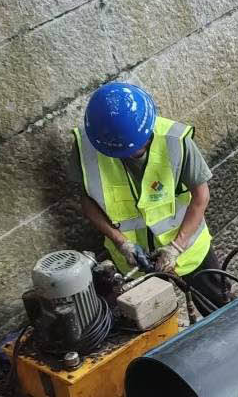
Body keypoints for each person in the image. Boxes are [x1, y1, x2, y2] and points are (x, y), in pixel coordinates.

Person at [73, 82, 226, 312]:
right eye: (120, 152)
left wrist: (176, 247)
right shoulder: (87, 148)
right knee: (154, 321)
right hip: (134, 260)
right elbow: (88, 204)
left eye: (135, 149)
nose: (129, 155)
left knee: (220, 311)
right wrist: (121, 242)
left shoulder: (176, 140)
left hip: (188, 250)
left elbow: (201, 197)